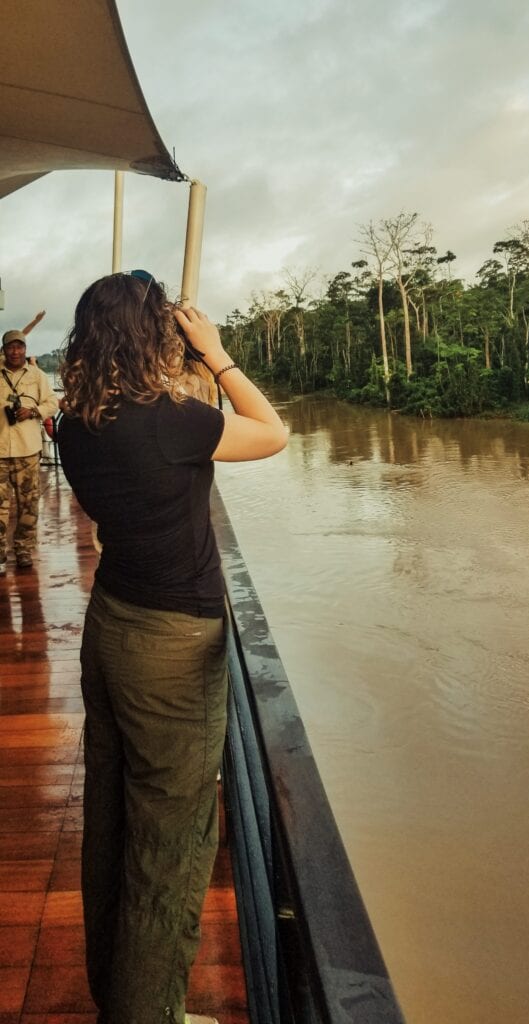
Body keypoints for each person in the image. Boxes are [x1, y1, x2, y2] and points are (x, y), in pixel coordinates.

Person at [57, 272, 287, 1024]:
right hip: (172, 646)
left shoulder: (72, 421)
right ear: (151, 337)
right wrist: (215, 354)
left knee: (113, 820)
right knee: (173, 839)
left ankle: (120, 996)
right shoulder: (170, 420)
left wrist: (175, 372)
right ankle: (151, 1013)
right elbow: (273, 432)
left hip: (113, 626)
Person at [0, 330, 59, 573]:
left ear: (25, 349)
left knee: (28, 504)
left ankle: (23, 548)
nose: (15, 351)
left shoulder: (38, 375)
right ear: (4, 349)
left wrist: (33, 411)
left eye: (19, 347)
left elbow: (52, 403)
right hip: (0, 450)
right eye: (10, 347)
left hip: (27, 450)